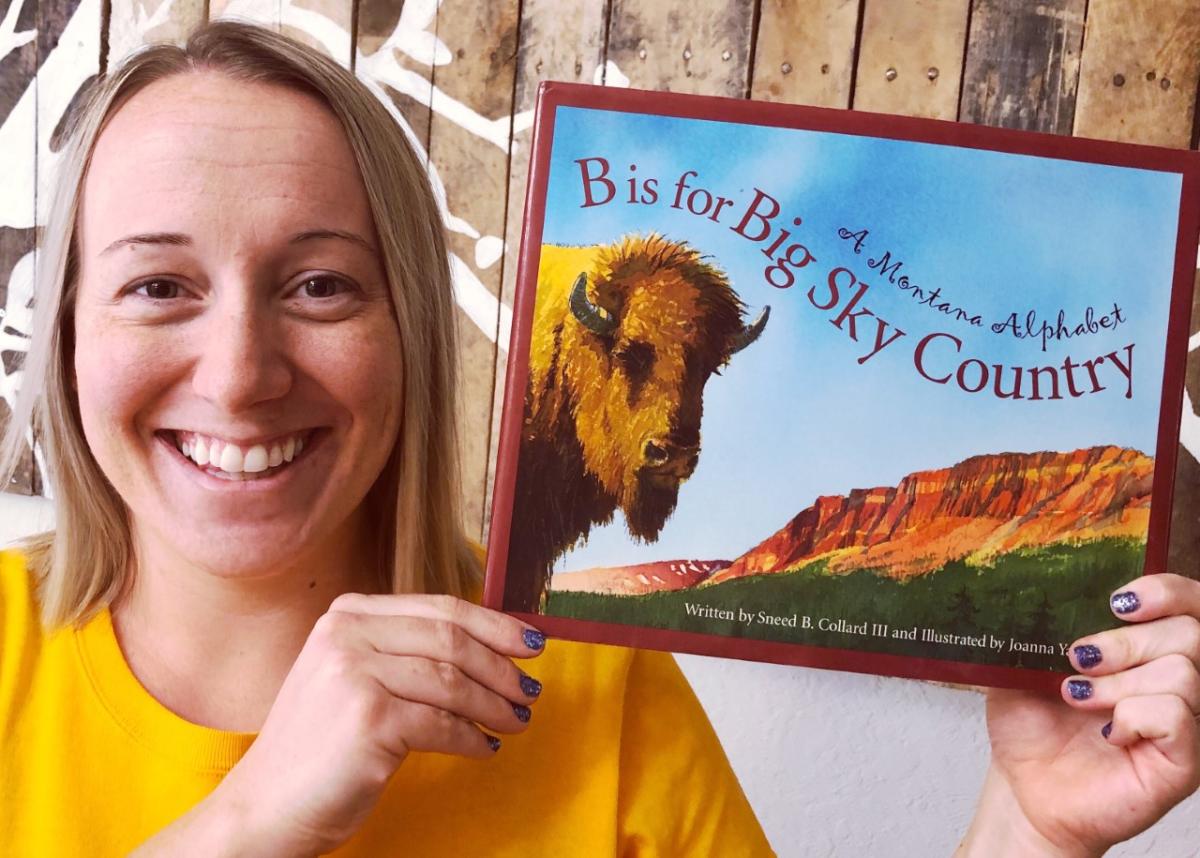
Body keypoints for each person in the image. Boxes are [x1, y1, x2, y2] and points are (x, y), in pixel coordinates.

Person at [0, 20, 1195, 857]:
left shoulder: (587, 683)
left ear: (410, 328)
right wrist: (255, 819)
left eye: (319, 287)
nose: (240, 374)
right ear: (63, 338)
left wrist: (1028, 833)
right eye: (157, 287)